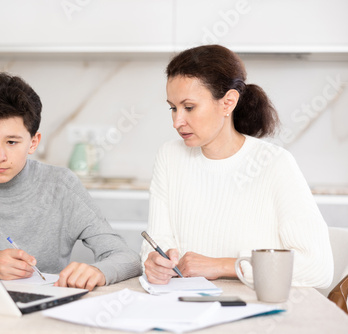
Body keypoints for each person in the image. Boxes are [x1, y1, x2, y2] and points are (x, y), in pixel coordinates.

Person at [0, 73, 141, 291]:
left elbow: (127, 258)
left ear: (33, 142)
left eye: (11, 142)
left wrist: (98, 271)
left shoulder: (61, 186)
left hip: (42, 308)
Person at [141, 44, 333, 289]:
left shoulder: (274, 164)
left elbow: (319, 268)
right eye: (173, 108)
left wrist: (224, 266)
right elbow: (156, 241)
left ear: (228, 102)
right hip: (187, 309)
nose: (177, 121)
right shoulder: (169, 156)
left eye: (189, 107)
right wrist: (154, 263)